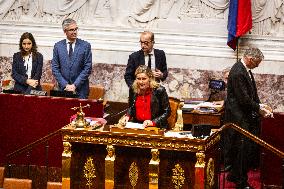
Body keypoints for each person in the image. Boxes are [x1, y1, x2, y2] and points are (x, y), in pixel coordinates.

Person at [224, 47, 273, 189]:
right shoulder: (238, 71)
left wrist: (260, 106)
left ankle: (235, 174)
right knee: (242, 151)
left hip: (245, 116)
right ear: (250, 59)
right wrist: (259, 109)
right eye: (257, 62)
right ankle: (241, 182)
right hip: (238, 118)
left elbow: (252, 94)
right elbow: (243, 99)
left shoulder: (245, 70)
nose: (258, 65)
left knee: (245, 150)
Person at [52, 18, 92, 99]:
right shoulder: (58, 46)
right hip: (63, 90)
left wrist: (75, 85)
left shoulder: (85, 46)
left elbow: (87, 68)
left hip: (81, 90)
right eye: (71, 30)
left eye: (76, 29)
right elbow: (55, 68)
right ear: (65, 31)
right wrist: (65, 85)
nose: (75, 32)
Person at [122, 65, 171, 129]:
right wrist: (127, 116)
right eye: (138, 79)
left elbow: (167, 112)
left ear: (150, 78)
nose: (141, 82)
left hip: (155, 126)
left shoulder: (159, 90)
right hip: (138, 125)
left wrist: (153, 122)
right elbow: (131, 107)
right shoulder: (133, 89)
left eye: (144, 79)